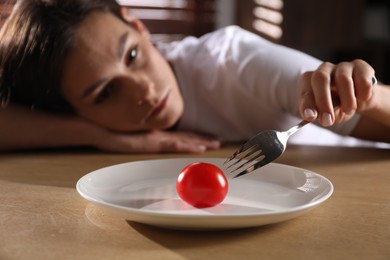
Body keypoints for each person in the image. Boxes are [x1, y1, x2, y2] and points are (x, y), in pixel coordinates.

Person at [0, 0, 389, 154]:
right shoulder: (66, 111)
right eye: (104, 93)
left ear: (137, 25)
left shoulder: (234, 61)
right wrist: (97, 135)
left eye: (132, 55)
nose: (145, 91)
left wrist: (365, 97)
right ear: (70, 108)